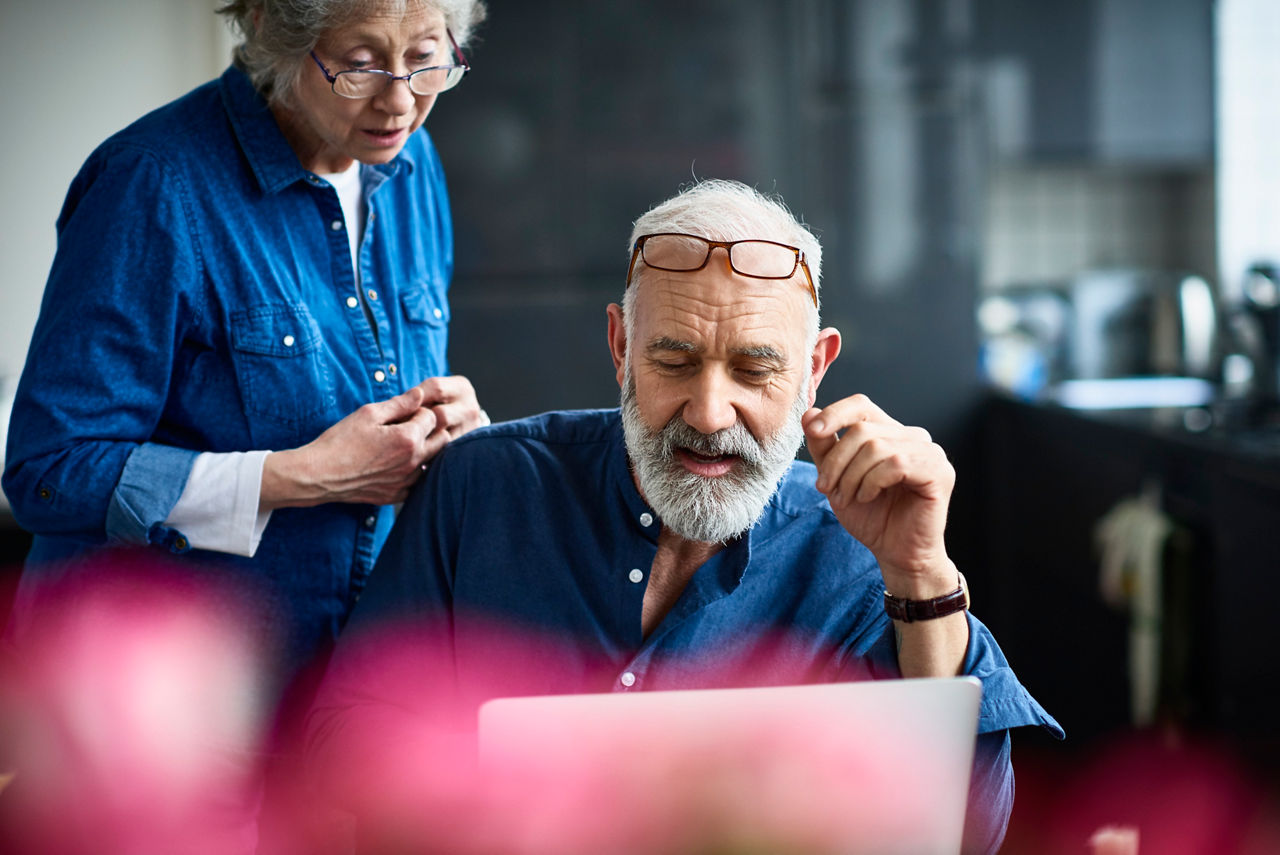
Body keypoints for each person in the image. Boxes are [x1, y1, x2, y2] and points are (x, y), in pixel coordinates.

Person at [305, 179, 1063, 854]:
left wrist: (921, 572)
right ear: (620, 346)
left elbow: (969, 829)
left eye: (755, 369)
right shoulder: (481, 487)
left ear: (814, 371)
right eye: (672, 361)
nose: (708, 411)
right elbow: (345, 742)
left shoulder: (860, 544)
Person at [0, 0, 489, 690]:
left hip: (344, 679)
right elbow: (50, 471)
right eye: (359, 65)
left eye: (427, 59)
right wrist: (302, 476)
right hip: (169, 699)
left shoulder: (411, 163)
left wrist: (448, 432)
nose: (401, 100)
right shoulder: (152, 183)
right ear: (270, 27)